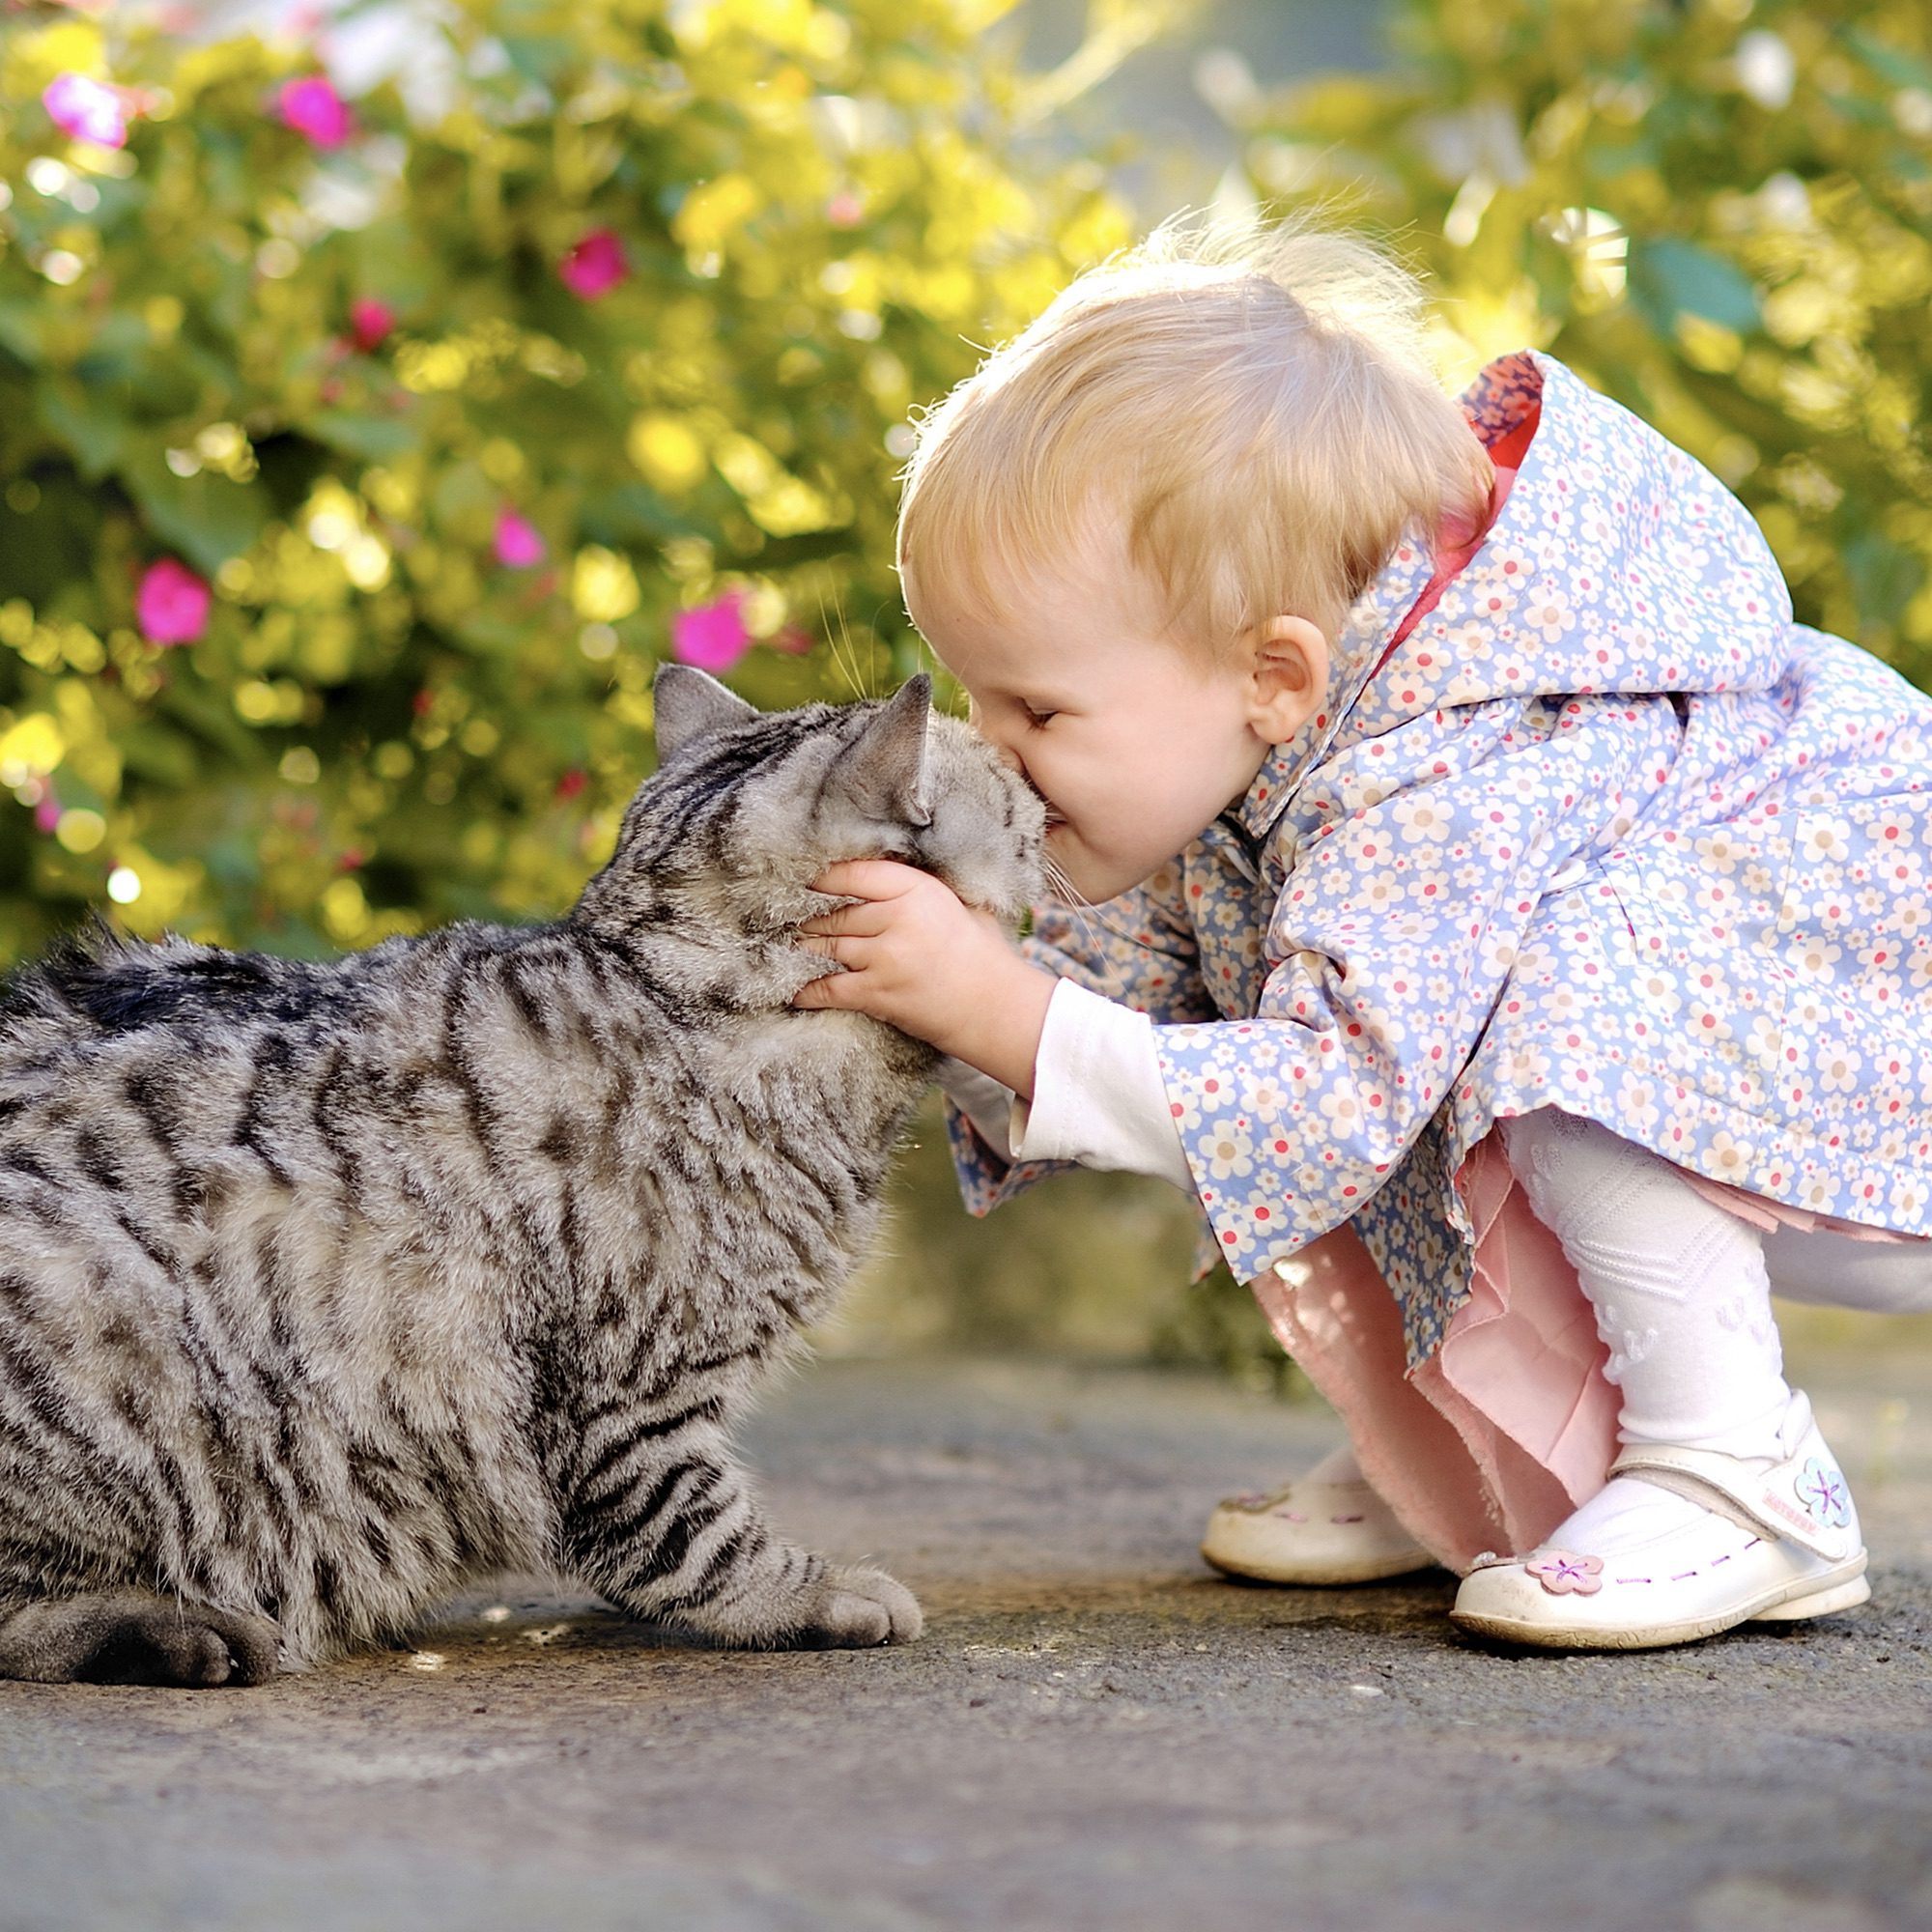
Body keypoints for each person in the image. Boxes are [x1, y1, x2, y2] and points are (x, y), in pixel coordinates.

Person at [790, 214, 1932, 1649]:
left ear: (1276, 670)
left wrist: (999, 1011)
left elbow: (1332, 1099)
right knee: (1330, 1004)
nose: (989, 750)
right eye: (972, 699)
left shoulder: (1444, 768)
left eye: (1034, 709)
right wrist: (933, 981)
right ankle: (1474, 1463)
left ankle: (1740, 1471)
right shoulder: (1270, 735)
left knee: (1530, 1008)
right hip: (1778, 1066)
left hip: (1875, 1075)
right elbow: (1162, 1011)